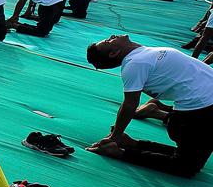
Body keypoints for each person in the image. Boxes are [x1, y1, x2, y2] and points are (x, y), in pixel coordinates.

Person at [85, 35, 213, 177]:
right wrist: (115, 135)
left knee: (192, 158)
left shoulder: (141, 52)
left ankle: (132, 144)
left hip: (198, 111)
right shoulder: (134, 64)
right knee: (186, 166)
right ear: (114, 53)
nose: (112, 36)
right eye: (109, 41)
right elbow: (130, 103)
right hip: (198, 114)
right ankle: (120, 152)